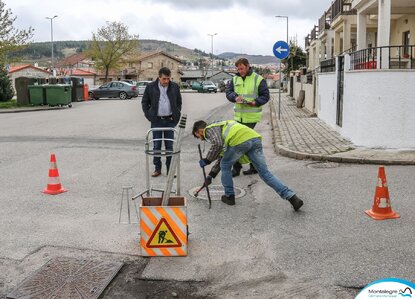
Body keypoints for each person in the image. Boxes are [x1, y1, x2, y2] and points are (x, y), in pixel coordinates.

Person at [192, 120, 303, 211]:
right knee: (265, 173)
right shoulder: (222, 128)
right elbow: (222, 155)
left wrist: (207, 160)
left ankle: (229, 196)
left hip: (240, 141)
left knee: (225, 166)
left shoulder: (209, 129)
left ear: (199, 130)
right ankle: (292, 197)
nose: (200, 138)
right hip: (254, 139)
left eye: (198, 136)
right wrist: (211, 176)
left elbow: (217, 144)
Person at [226, 58, 270, 177]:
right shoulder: (234, 79)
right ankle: (253, 166)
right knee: (244, 142)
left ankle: (237, 168)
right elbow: (228, 93)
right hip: (238, 117)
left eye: (242, 68)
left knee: (239, 142)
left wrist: (255, 102)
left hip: (251, 117)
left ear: (248, 66)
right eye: (238, 69)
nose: (240, 71)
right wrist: (235, 97)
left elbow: (265, 96)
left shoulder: (258, 79)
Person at [142, 67, 182, 177]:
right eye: (164, 79)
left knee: (169, 146)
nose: (166, 81)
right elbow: (144, 102)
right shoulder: (151, 87)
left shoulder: (174, 87)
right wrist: (149, 115)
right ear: (159, 77)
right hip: (156, 121)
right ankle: (157, 169)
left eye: (168, 79)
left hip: (170, 121)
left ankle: (170, 170)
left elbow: (179, 102)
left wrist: (176, 116)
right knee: (157, 146)